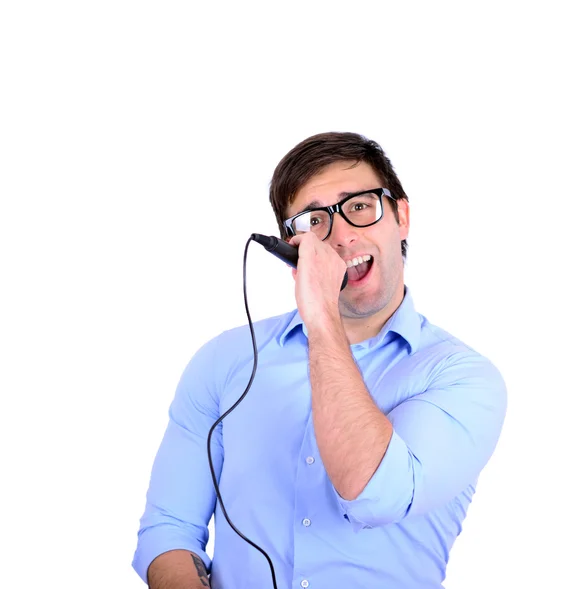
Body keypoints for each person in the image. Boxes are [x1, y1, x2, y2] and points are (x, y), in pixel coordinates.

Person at [132, 132, 507, 589]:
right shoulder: (225, 360)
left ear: (401, 216)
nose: (342, 236)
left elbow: (374, 496)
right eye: (314, 221)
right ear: (291, 246)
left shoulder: (462, 377)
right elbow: (168, 529)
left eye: (360, 206)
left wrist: (321, 317)